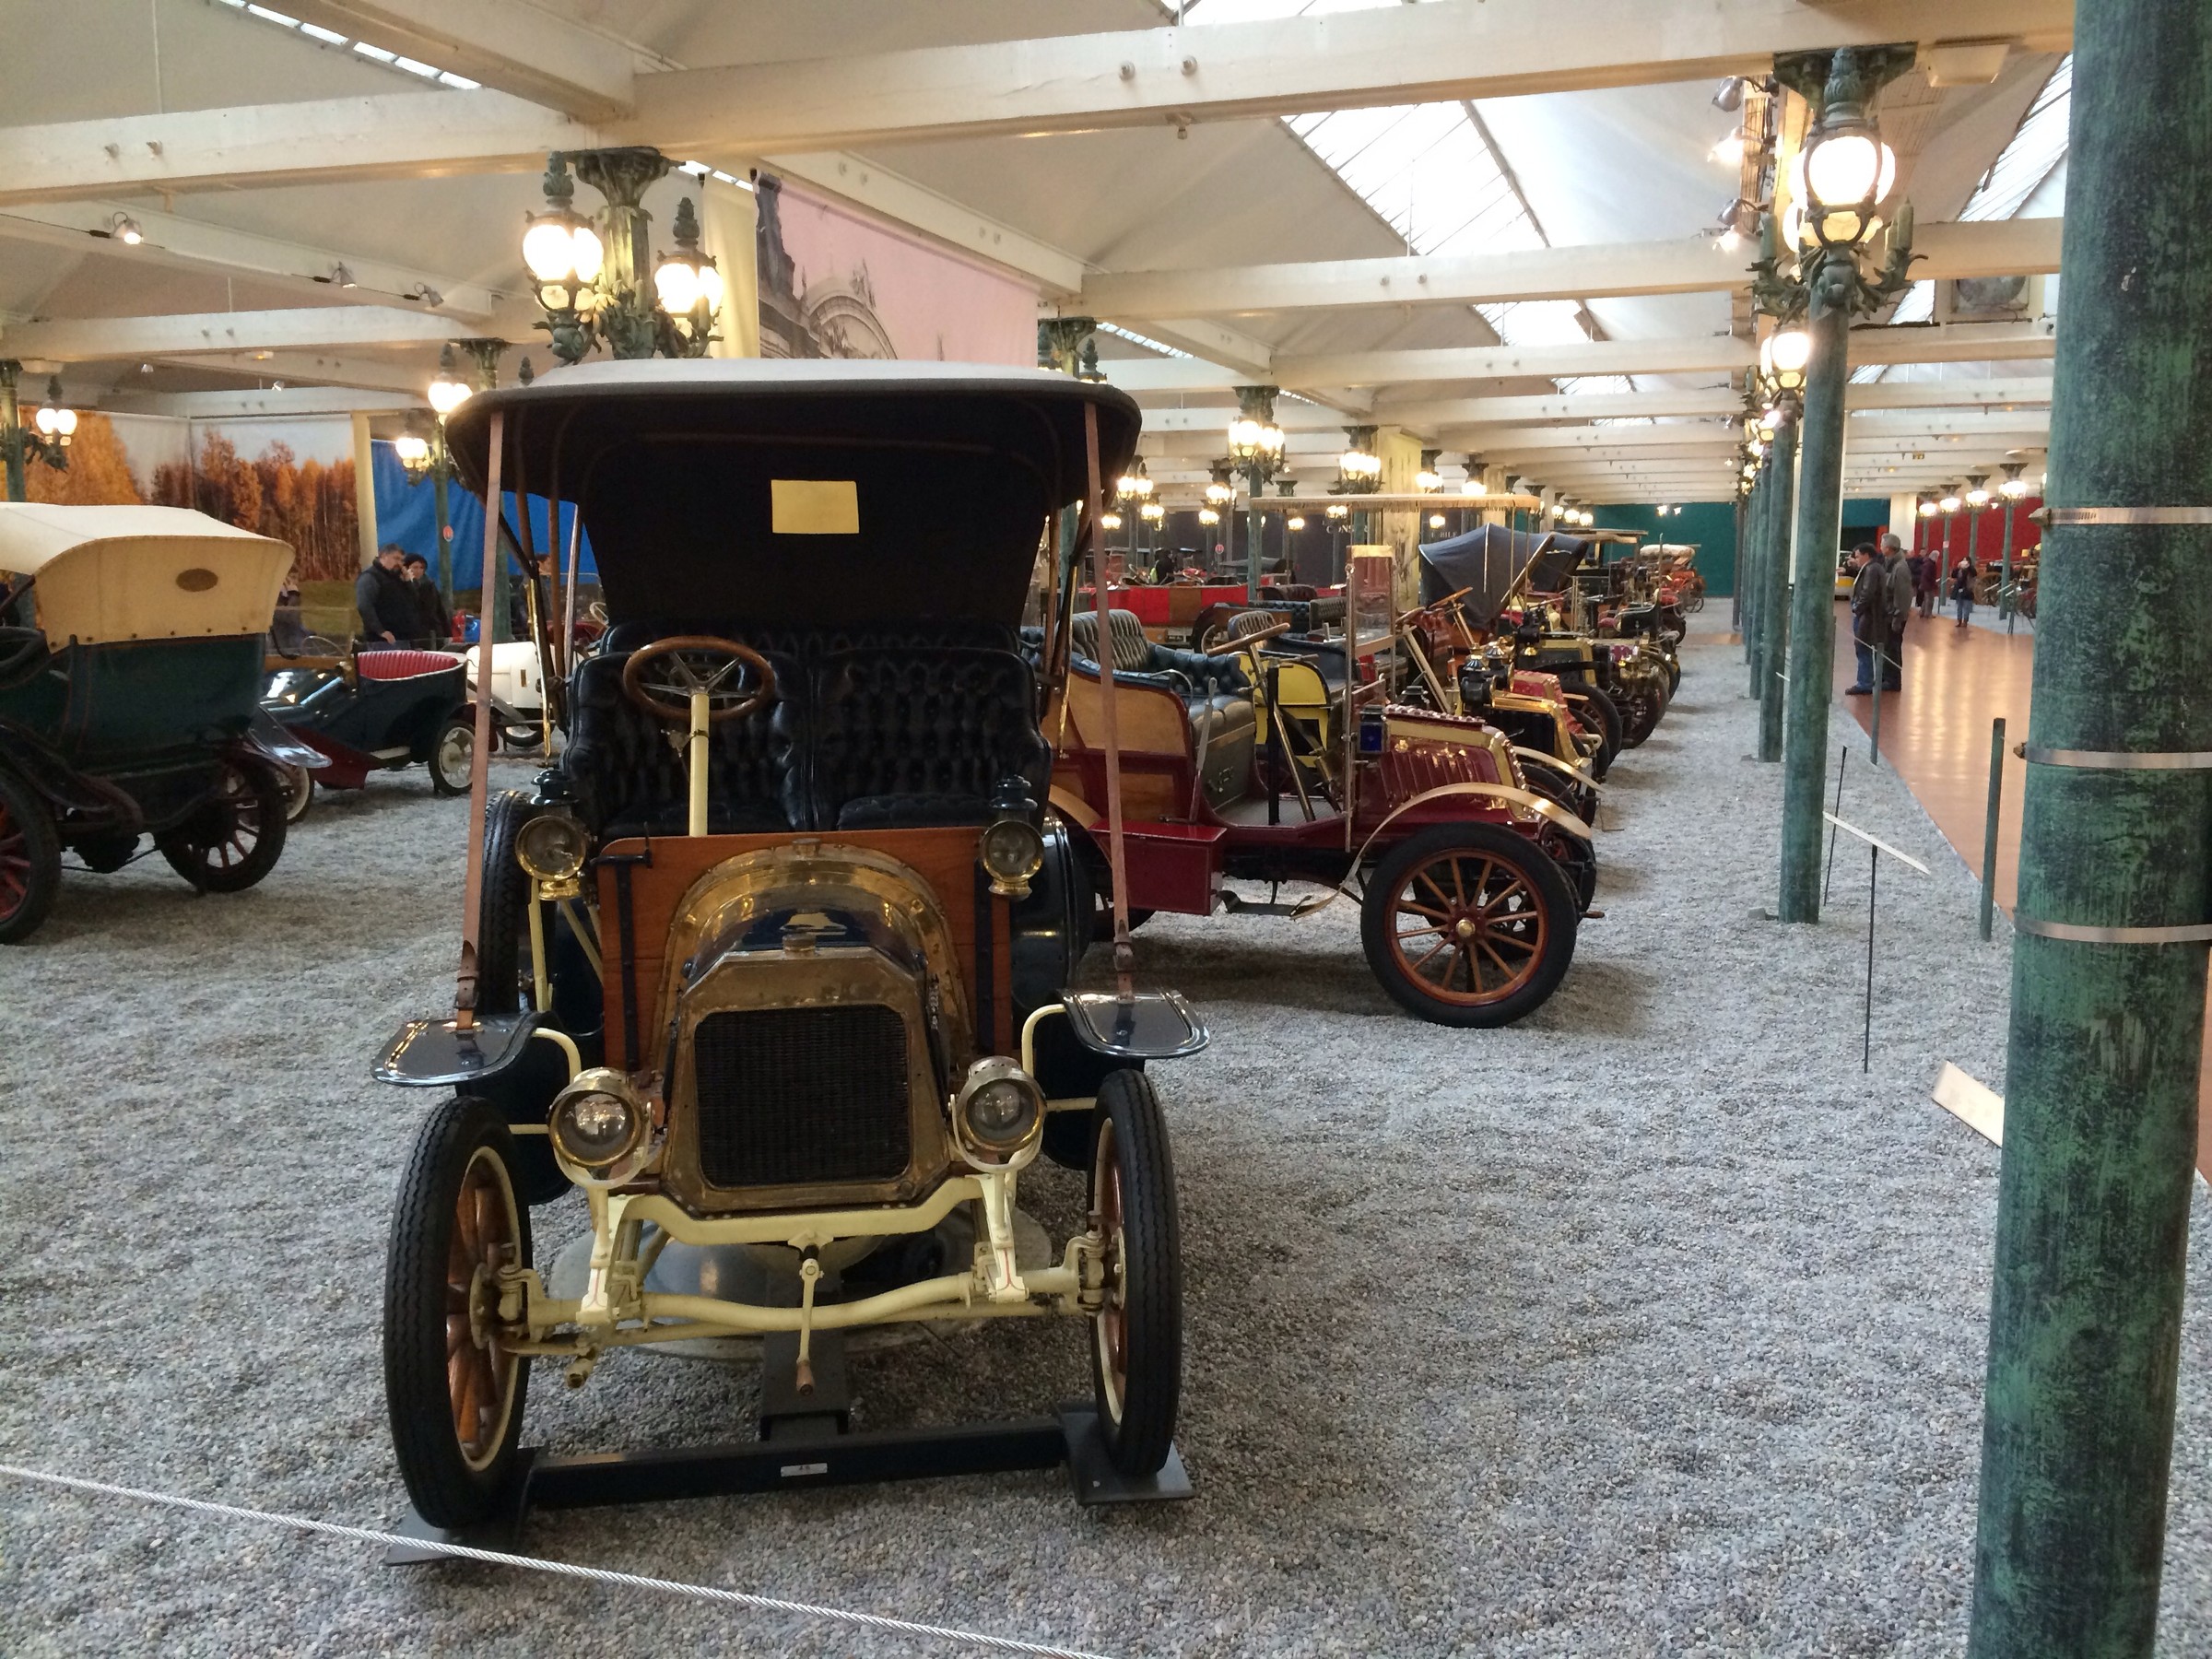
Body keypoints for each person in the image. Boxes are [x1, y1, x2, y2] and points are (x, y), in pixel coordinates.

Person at [1844, 544, 1887, 696]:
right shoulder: (1872, 568)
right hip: (1867, 615)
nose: (1856, 559)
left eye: (1857, 556)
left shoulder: (1872, 569)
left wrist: (1857, 608)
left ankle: (1865, 682)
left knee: (1863, 648)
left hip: (1867, 616)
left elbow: (1868, 592)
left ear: (1866, 555)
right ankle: (1866, 681)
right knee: (1864, 648)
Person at [353, 544, 412, 647]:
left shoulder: (397, 578)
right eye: (396, 558)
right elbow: (364, 606)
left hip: (402, 638)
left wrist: (408, 583)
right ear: (384, 556)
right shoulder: (370, 577)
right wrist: (380, 631)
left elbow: (412, 603)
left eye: (402, 560)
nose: (400, 564)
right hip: (381, 640)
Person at [1880, 533, 1911, 690]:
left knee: (1893, 648)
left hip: (1894, 615)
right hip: (1890, 613)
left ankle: (1893, 681)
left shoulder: (1900, 567)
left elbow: (1903, 595)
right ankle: (1887, 677)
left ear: (1888, 548)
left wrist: (1898, 617)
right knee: (1888, 647)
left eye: (1882, 544)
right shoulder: (1891, 563)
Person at [400, 553, 452, 645]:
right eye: (415, 567)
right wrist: (411, 583)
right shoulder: (401, 586)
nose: (419, 570)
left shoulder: (429, 584)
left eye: (421, 567)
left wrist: (447, 633)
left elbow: (440, 610)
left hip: (433, 631)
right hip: (414, 634)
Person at [1952, 555, 1979, 629]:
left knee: (1966, 607)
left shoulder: (1971, 570)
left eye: (1966, 560)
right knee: (1959, 607)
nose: (1964, 562)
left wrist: (1968, 567)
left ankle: (1965, 621)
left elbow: (1974, 574)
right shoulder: (1959, 570)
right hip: (1959, 590)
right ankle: (1959, 620)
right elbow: (1953, 575)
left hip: (1967, 591)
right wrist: (1957, 568)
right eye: (1963, 560)